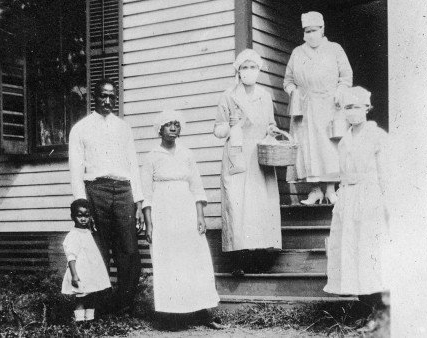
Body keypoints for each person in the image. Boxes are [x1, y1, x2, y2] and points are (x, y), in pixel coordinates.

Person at [142, 110, 223, 331]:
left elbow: (196, 187)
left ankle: (201, 311)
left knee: (194, 259)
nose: (173, 128)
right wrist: (149, 223)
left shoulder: (187, 154)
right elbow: (146, 194)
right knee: (169, 261)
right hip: (163, 214)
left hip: (186, 212)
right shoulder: (151, 157)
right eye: (168, 124)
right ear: (160, 129)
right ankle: (172, 315)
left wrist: (200, 216)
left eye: (176, 124)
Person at [68, 78, 144, 314]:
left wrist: (139, 202)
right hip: (96, 191)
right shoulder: (81, 128)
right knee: (98, 248)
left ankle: (125, 304)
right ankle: (98, 304)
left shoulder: (124, 128)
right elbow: (76, 169)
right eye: (103, 96)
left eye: (112, 97)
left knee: (129, 249)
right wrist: (82, 203)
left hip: (123, 191)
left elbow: (133, 166)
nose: (108, 101)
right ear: (94, 97)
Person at [323, 87, 390, 324]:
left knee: (369, 249)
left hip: (370, 196)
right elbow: (343, 174)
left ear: (367, 108)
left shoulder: (378, 136)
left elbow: (385, 174)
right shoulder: (344, 141)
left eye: (357, 107)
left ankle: (378, 306)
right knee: (351, 249)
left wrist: (387, 204)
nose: (352, 112)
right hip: (349, 198)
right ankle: (363, 304)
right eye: (348, 107)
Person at [213, 48, 283, 275]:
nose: (249, 71)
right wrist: (233, 124)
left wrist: (273, 130)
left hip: (259, 154)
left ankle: (261, 258)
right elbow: (218, 130)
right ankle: (237, 260)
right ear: (238, 71)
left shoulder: (265, 95)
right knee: (237, 203)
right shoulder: (228, 96)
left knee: (260, 204)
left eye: (253, 67)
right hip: (237, 153)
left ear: (259, 70)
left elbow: (270, 123)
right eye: (245, 67)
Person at [283, 11, 353, 205]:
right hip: (305, 107)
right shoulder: (298, 52)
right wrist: (293, 92)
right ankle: (315, 191)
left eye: (314, 30)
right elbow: (288, 80)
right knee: (307, 148)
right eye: (307, 31)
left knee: (328, 147)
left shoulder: (334, 49)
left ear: (322, 29)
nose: (310, 34)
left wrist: (340, 91)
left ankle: (331, 189)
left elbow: (346, 76)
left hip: (329, 104)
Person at [61, 199, 112, 322]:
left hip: (91, 272)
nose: (83, 219)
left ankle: (89, 321)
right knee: (80, 297)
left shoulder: (88, 232)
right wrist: (74, 275)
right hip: (80, 272)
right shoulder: (73, 235)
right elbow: (71, 256)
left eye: (86, 215)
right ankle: (80, 322)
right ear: (73, 217)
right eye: (79, 216)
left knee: (92, 295)